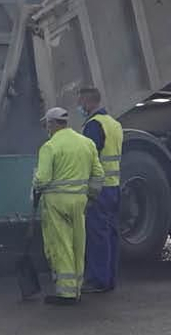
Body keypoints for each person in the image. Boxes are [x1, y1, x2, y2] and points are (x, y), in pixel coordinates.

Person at [32, 106, 104, 306]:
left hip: (57, 204)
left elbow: (42, 179)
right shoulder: (86, 143)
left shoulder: (49, 147)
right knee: (78, 244)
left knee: (62, 245)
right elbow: (99, 175)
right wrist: (91, 197)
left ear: (52, 124)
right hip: (79, 202)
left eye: (47, 124)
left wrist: (35, 183)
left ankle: (66, 293)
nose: (47, 128)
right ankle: (77, 288)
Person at [77, 87, 122, 293]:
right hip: (114, 186)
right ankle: (109, 278)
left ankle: (98, 280)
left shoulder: (93, 126)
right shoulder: (114, 123)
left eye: (80, 102)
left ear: (88, 102)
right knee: (110, 234)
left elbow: (89, 158)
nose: (79, 106)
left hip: (99, 189)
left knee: (97, 235)